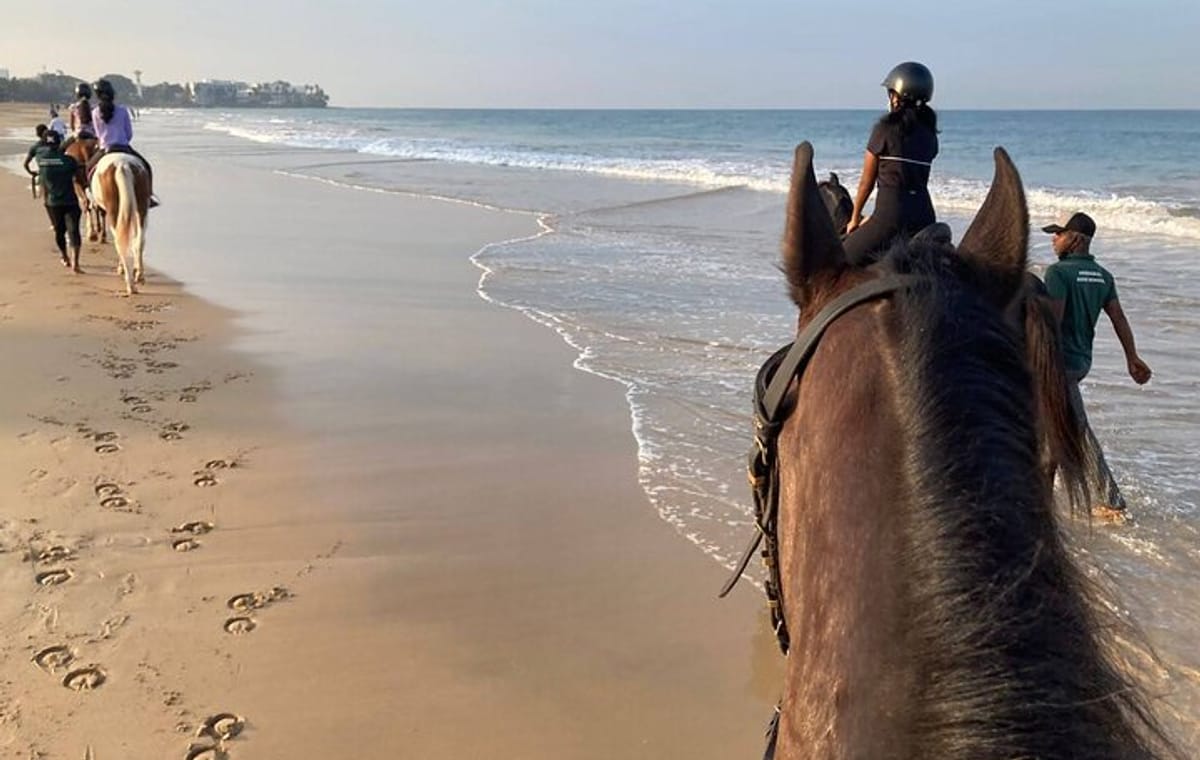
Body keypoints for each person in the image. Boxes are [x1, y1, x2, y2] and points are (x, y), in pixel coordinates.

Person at [1042, 211, 1152, 521]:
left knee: (1078, 430)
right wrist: (1132, 357)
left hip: (1058, 364)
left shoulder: (1058, 274)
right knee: (1051, 425)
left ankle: (1112, 501)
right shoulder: (1103, 276)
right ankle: (1042, 494)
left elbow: (1052, 322)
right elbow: (1119, 318)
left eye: (1059, 234)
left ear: (1074, 239)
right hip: (1081, 362)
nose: (1054, 240)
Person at [843, 61, 940, 265]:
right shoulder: (930, 134)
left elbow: (866, 182)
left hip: (891, 216)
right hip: (924, 217)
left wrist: (855, 219)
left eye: (891, 93)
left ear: (897, 96)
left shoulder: (884, 129)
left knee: (839, 262)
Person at [89, 78, 158, 206]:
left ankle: (93, 197)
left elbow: (97, 134)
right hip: (124, 147)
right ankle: (148, 196)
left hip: (105, 149)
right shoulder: (122, 110)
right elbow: (129, 133)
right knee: (147, 166)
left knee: (89, 169)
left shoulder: (95, 113)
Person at [34, 130, 85, 271]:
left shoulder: (42, 161)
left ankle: (64, 255)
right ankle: (76, 263)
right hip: (70, 201)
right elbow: (79, 179)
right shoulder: (70, 161)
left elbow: (52, 161)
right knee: (74, 230)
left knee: (59, 232)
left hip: (53, 203)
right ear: (59, 143)